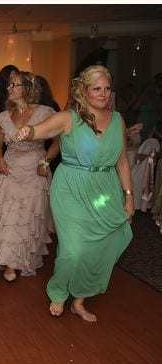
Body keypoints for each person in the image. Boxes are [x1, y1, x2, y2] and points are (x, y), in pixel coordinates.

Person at [19, 64, 133, 323]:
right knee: (73, 249)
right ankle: (58, 291)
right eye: (97, 89)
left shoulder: (118, 120)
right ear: (84, 91)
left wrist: (129, 196)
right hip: (71, 187)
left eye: (107, 89)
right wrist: (30, 131)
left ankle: (79, 299)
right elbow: (43, 129)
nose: (104, 94)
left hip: (104, 191)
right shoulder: (69, 117)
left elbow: (123, 161)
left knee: (103, 244)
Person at [0, 71, 56, 281]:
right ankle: (10, 263)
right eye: (9, 84)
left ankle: (23, 259)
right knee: (9, 217)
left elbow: (59, 141)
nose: (9, 88)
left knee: (28, 217)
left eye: (13, 85)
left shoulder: (45, 113)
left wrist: (45, 162)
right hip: (10, 170)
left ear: (26, 88)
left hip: (35, 170)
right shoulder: (4, 115)